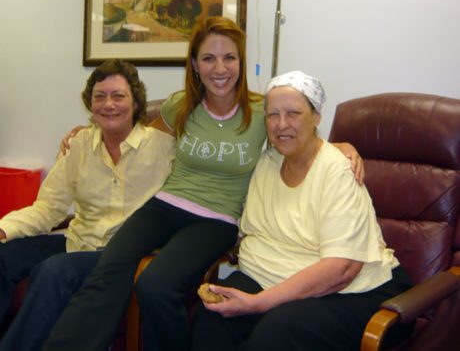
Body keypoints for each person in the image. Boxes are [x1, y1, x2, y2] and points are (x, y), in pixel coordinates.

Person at [44, 18, 363, 351]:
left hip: (217, 218)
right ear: (195, 64)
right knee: (108, 269)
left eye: (229, 58)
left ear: (240, 62)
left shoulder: (260, 112)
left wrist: (341, 146)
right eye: (208, 58)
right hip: (164, 205)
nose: (219, 68)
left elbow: (295, 137)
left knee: (155, 285)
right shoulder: (180, 105)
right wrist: (92, 131)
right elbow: (143, 136)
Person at [191, 70, 414, 351]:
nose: (281, 124)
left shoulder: (337, 170)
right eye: (272, 115)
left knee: (274, 336)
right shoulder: (267, 163)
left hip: (349, 290)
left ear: (316, 117)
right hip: (267, 278)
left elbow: (342, 268)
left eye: (293, 113)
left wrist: (260, 303)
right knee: (210, 321)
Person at [0, 59, 174, 351]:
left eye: (119, 96)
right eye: (99, 97)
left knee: (54, 270)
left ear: (135, 102)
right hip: (77, 241)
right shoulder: (79, 145)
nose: (109, 105)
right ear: (90, 104)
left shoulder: (164, 148)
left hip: (124, 254)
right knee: (4, 256)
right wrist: (4, 229)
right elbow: (48, 209)